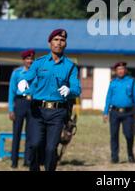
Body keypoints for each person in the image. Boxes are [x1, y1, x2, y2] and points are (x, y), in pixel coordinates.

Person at [17, 28, 81, 171]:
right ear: (49, 43)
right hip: (37, 111)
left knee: (51, 149)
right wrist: (23, 81)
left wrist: (70, 91)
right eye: (56, 40)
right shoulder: (39, 63)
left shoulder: (70, 66)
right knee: (34, 144)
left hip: (58, 113)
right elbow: (27, 77)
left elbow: (77, 89)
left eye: (62, 40)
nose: (59, 43)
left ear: (65, 44)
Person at [103, 62, 135, 164]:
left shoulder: (131, 82)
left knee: (129, 134)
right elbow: (108, 98)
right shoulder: (113, 83)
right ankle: (114, 157)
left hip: (128, 113)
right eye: (118, 69)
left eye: (122, 69)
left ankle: (130, 154)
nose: (120, 71)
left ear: (125, 70)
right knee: (114, 135)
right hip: (114, 112)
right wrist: (105, 112)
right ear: (116, 71)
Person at [8, 49, 36, 168]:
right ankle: (14, 161)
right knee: (17, 133)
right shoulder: (17, 73)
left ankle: (27, 160)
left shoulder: (36, 73)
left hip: (32, 103)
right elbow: (11, 92)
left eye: (31, 58)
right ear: (23, 60)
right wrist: (11, 109)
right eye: (27, 59)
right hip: (19, 103)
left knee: (30, 134)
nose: (30, 61)